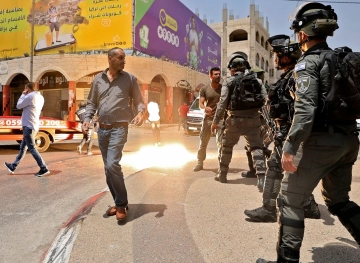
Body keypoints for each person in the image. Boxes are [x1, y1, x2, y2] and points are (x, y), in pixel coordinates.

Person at [257, 3, 360, 263]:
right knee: (337, 201)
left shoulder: (308, 64)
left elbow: (305, 111)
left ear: (302, 34)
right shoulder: (341, 58)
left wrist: (290, 148)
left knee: (290, 200)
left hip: (320, 143)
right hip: (348, 140)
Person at [244, 35, 320, 223]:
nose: (275, 58)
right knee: (291, 170)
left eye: (278, 54)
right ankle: (309, 206)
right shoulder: (289, 76)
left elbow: (302, 108)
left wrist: (289, 135)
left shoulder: (297, 76)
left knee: (277, 168)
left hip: (290, 133)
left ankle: (269, 209)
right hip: (286, 131)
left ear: (287, 57)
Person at [82, 47, 145, 222]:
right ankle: (119, 203)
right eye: (120, 58)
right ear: (110, 59)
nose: (124, 61)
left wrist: (140, 112)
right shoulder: (98, 79)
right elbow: (91, 102)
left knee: (112, 165)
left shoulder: (129, 79)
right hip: (102, 129)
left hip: (120, 127)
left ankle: (121, 203)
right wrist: (87, 119)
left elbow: (139, 100)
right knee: (108, 170)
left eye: (124, 58)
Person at [211, 55, 266, 189]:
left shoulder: (229, 82)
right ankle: (262, 179)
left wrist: (215, 121)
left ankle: (222, 174)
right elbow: (265, 100)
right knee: (256, 147)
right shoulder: (257, 81)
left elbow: (222, 103)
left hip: (234, 120)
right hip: (253, 120)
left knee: (227, 146)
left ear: (232, 69)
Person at [4, 82, 50, 177]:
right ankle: (13, 166)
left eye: (26, 90)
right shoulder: (40, 97)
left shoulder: (30, 96)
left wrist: (22, 94)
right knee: (23, 148)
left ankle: (43, 168)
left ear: (27, 89)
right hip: (33, 125)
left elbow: (18, 105)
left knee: (32, 148)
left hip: (29, 127)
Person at [193, 67, 223, 172]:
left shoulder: (223, 89)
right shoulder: (204, 89)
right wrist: (205, 108)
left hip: (220, 120)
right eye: (215, 74)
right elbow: (201, 103)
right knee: (203, 142)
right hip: (208, 119)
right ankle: (200, 163)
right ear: (210, 76)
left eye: (219, 74)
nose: (218, 76)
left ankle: (222, 165)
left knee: (221, 143)